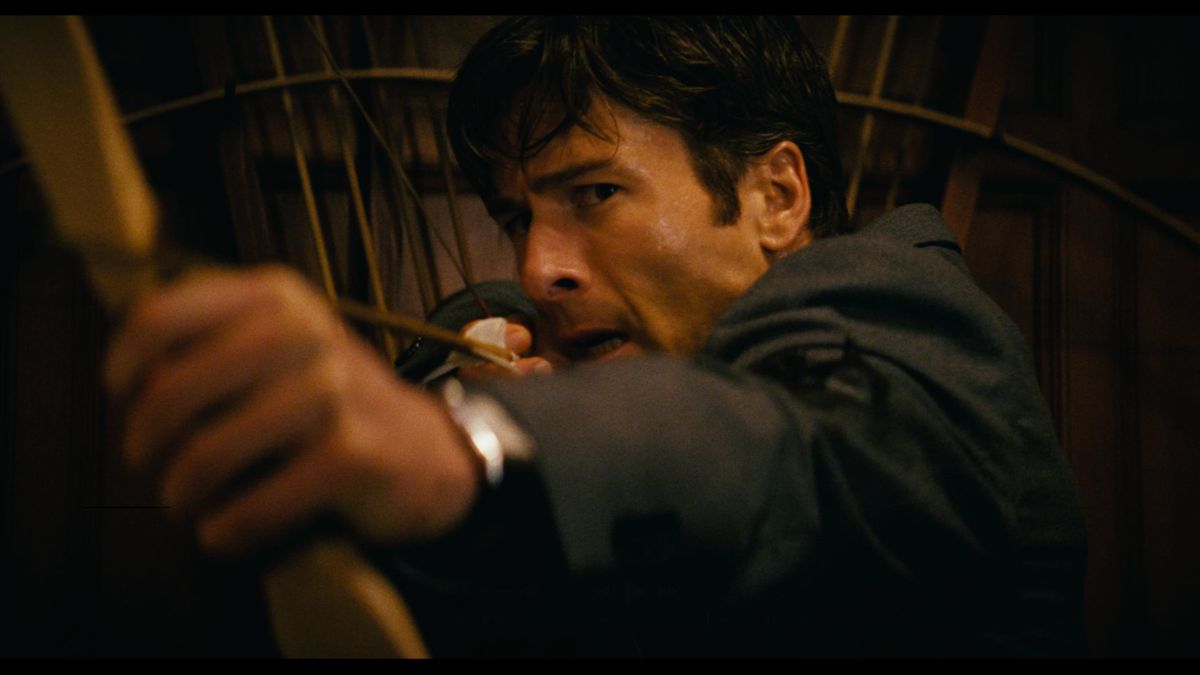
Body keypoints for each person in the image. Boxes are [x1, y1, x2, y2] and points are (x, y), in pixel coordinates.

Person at [103, 16, 1087, 656]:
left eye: (595, 193)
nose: (541, 267)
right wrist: (433, 397)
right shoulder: (529, 335)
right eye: (517, 215)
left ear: (777, 196)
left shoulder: (904, 311)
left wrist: (471, 448)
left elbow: (788, 450)